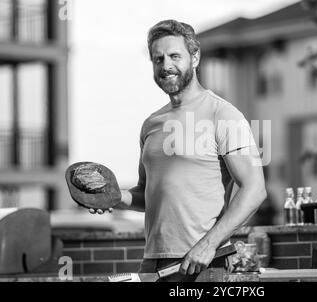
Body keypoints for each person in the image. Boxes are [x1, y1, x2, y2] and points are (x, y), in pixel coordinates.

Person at [89, 19, 267, 281]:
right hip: (153, 262)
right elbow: (147, 194)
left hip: (201, 264)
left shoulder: (223, 114)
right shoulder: (151, 124)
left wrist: (207, 245)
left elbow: (255, 189)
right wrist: (112, 197)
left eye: (174, 56)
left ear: (195, 58)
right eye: (157, 59)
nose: (166, 66)